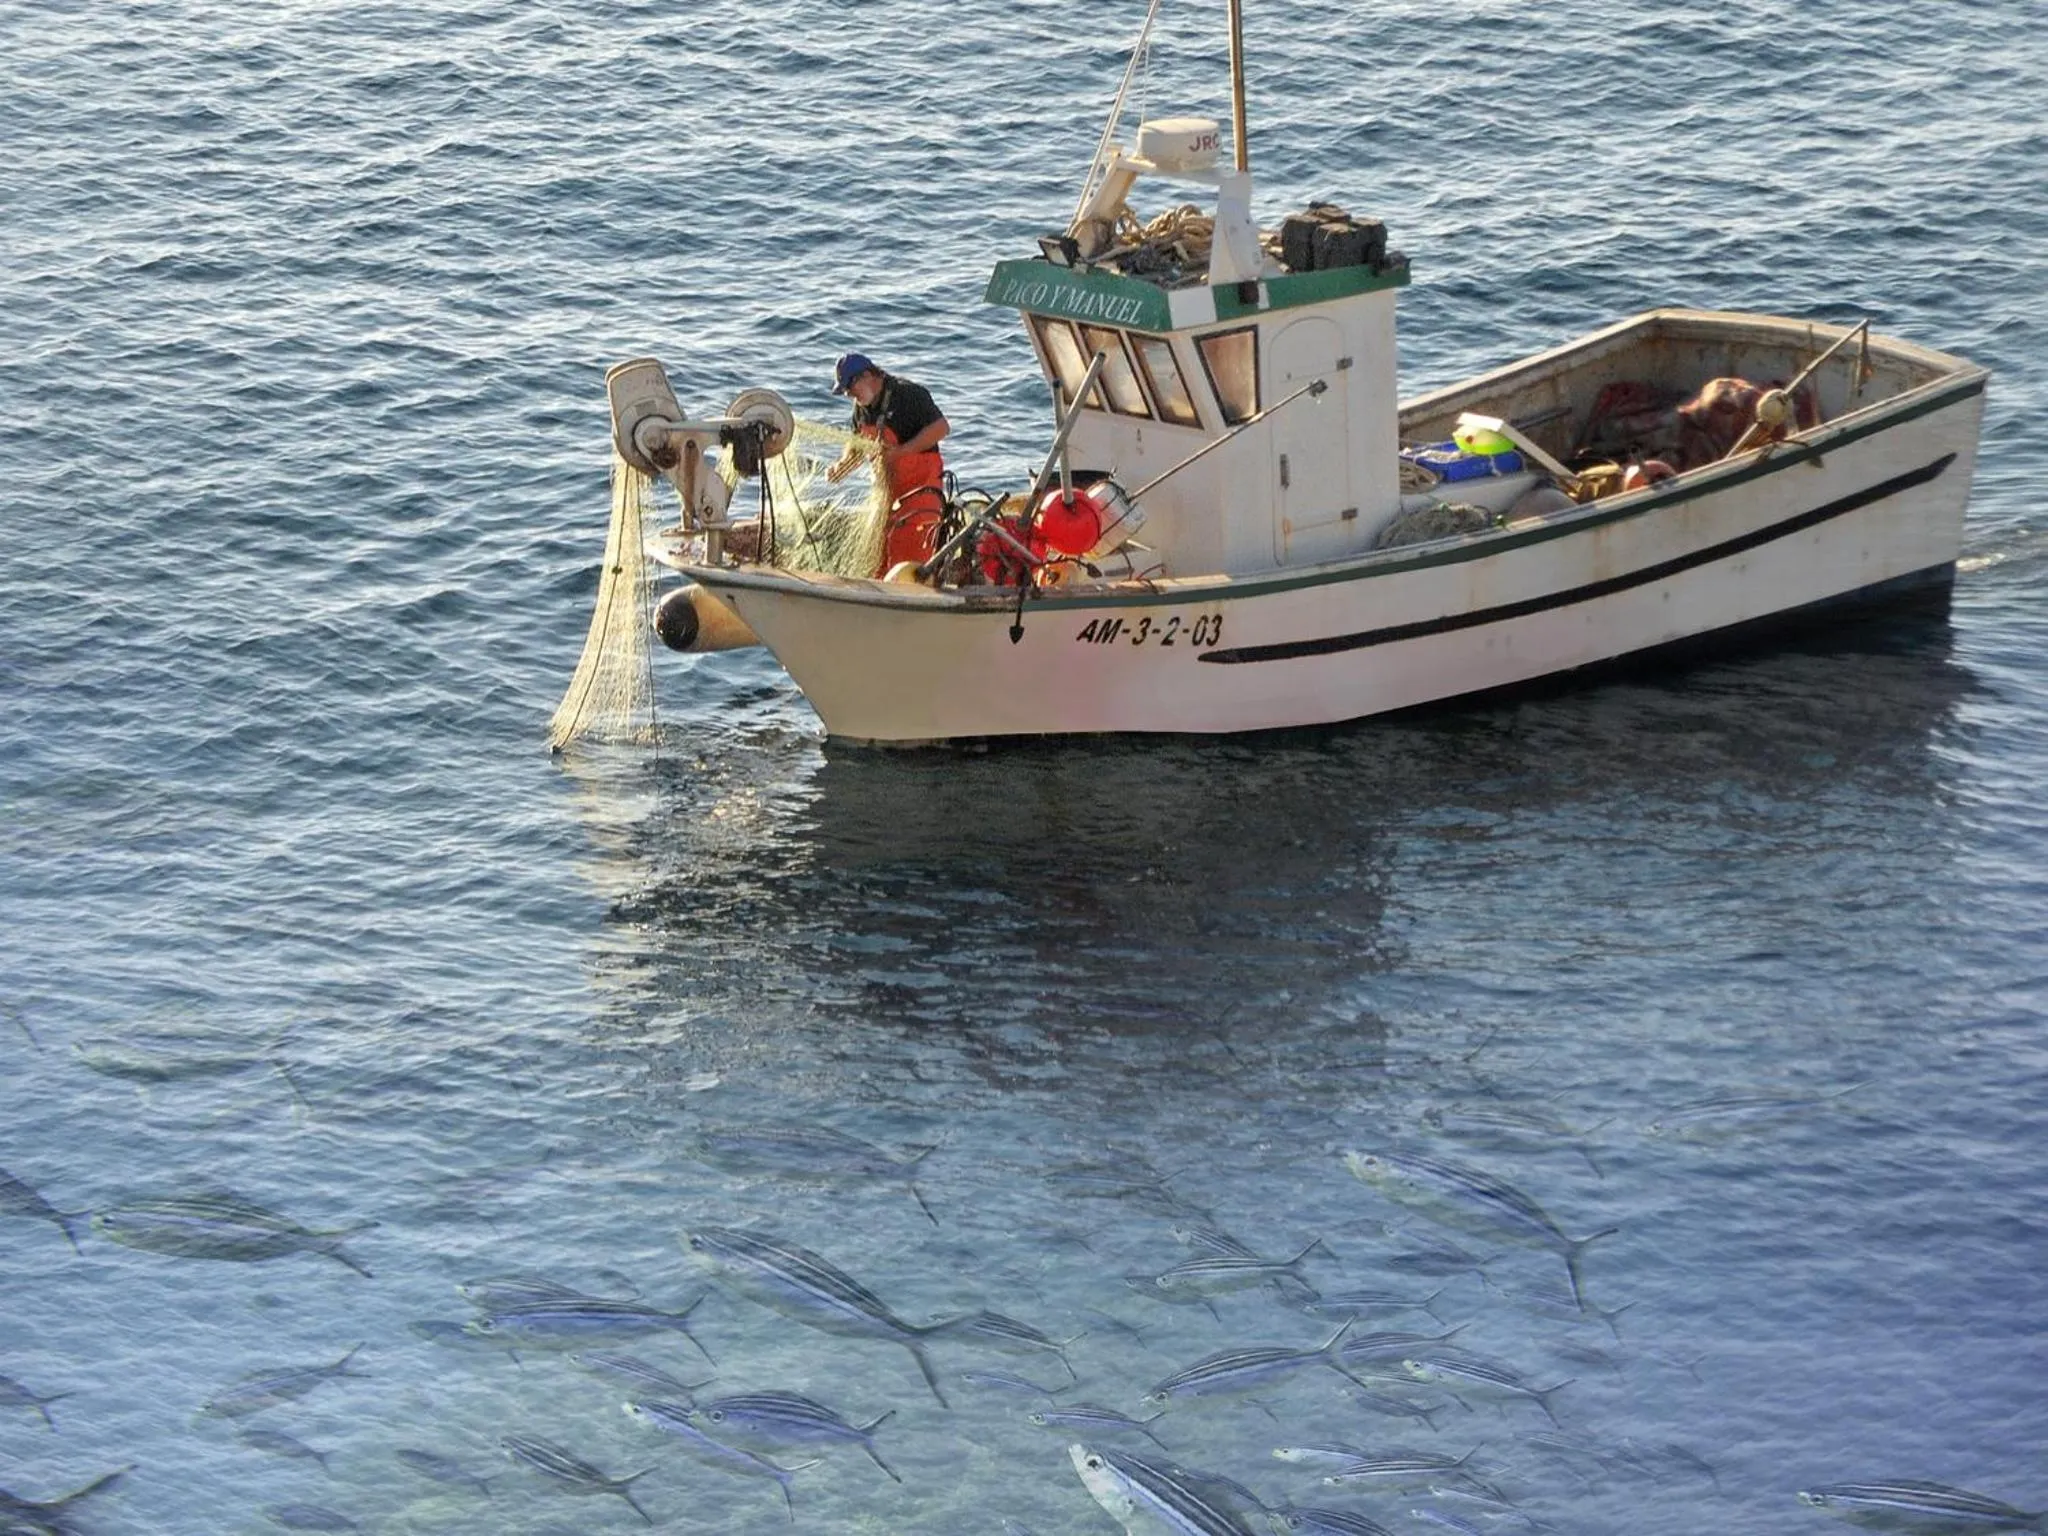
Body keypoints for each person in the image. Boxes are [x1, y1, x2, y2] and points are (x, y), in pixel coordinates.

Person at [825, 352, 950, 574]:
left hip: (921, 491)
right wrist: (841, 468)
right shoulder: (861, 407)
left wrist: (902, 452)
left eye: (849, 388)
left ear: (867, 376)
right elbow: (858, 445)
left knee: (907, 555)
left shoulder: (909, 395)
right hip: (886, 494)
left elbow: (941, 428)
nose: (848, 395)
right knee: (877, 554)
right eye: (844, 391)